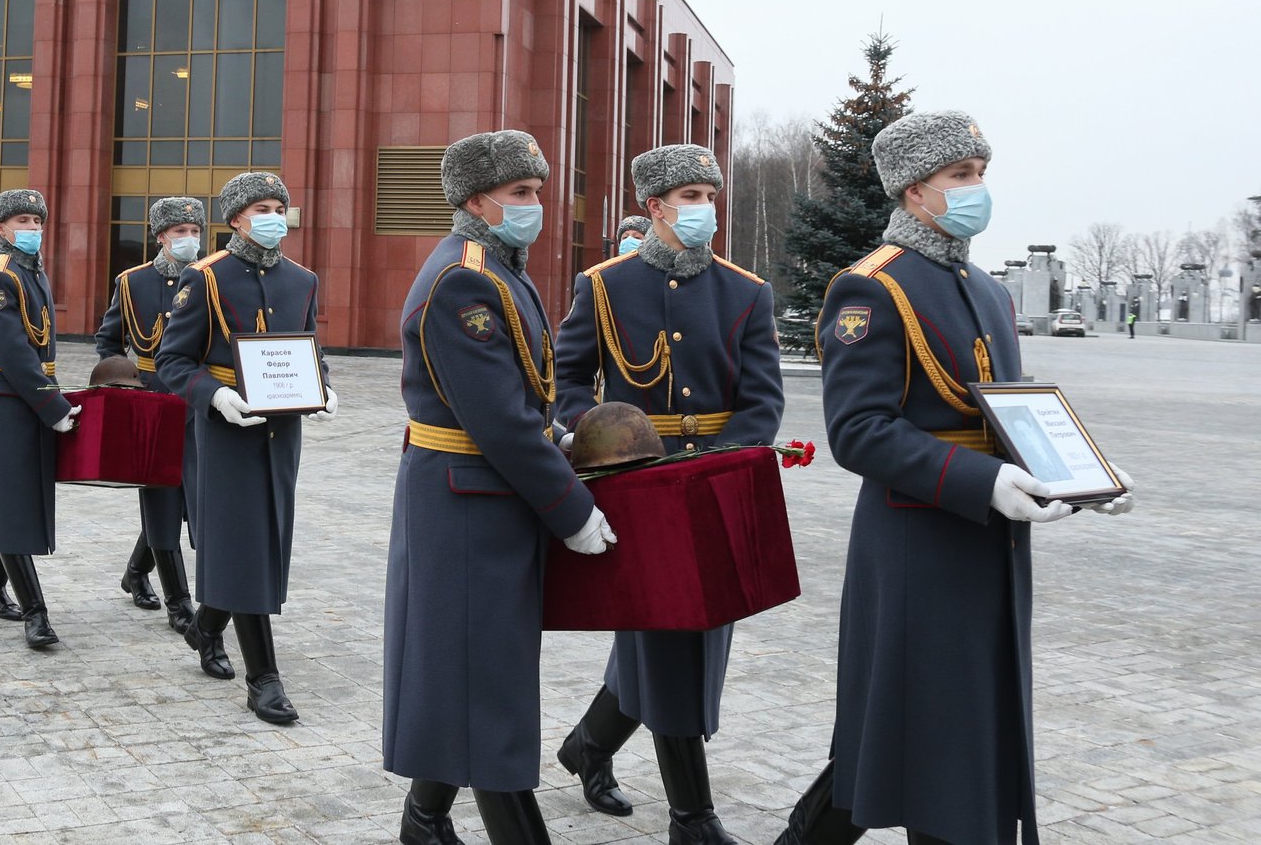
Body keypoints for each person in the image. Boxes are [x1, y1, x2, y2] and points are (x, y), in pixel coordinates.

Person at [774, 110, 1132, 845]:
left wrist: (1083, 476)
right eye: (960, 177)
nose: (976, 190)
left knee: (960, 725)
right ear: (913, 192)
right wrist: (980, 482)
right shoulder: (872, 287)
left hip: (990, 542)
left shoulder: (986, 288)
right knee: (932, 735)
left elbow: (1010, 413)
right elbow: (859, 431)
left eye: (980, 175)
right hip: (918, 540)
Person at [383, 130, 614, 844]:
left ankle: (424, 820)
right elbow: (499, 423)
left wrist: (562, 438)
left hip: (483, 496)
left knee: (476, 672)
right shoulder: (465, 279)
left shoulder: (495, 267)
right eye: (520, 194)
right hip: (466, 504)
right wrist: (571, 508)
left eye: (535, 192)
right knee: (488, 690)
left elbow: (523, 399)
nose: (534, 206)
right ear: (477, 199)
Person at [550, 144, 781, 842]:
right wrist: (581, 438)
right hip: (635, 486)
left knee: (692, 636)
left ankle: (588, 745)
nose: (704, 210)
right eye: (689, 197)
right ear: (654, 207)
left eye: (710, 196)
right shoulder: (605, 284)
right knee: (667, 641)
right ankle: (692, 816)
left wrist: (714, 462)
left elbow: (761, 402)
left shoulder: (747, 291)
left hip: (712, 485)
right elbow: (564, 383)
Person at [156, 171, 331, 725]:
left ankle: (207, 627)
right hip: (229, 426)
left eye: (279, 205)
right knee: (245, 544)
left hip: (283, 428)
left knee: (264, 540)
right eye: (260, 207)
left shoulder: (302, 279)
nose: (273, 215)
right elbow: (173, 360)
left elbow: (309, 346)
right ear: (235, 219)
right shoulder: (205, 277)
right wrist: (214, 395)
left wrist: (322, 383)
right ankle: (264, 680)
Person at [0, 188, 80, 651]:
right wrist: (53, 406)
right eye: (22, 222)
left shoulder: (31, 272)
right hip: (2, 399)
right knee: (10, 501)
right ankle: (36, 611)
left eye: (36, 221)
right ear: (0, 229)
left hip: (27, 396)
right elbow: (12, 352)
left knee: (8, 498)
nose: (32, 229)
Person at [94, 196, 205, 635]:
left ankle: (137, 572)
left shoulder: (209, 277)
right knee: (161, 499)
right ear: (161, 237)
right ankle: (179, 602)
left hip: (197, 404)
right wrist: (123, 386)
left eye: (195, 231)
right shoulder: (132, 282)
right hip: (152, 402)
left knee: (182, 501)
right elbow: (109, 340)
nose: (190, 240)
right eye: (181, 232)